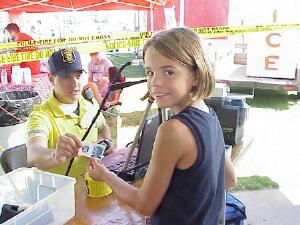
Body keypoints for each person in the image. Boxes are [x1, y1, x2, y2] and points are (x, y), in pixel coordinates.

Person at [87, 27, 235, 225]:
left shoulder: (173, 130)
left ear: (197, 75)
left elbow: (145, 205)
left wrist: (104, 175)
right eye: (150, 72)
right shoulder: (210, 114)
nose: (155, 82)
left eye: (168, 72)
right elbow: (229, 178)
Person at [26, 48, 113, 178]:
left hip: (94, 183)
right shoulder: (41, 115)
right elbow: (33, 154)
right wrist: (55, 155)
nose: (75, 84)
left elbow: (102, 126)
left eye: (78, 76)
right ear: (51, 79)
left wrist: (106, 142)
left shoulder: (88, 103)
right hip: (62, 191)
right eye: (66, 77)